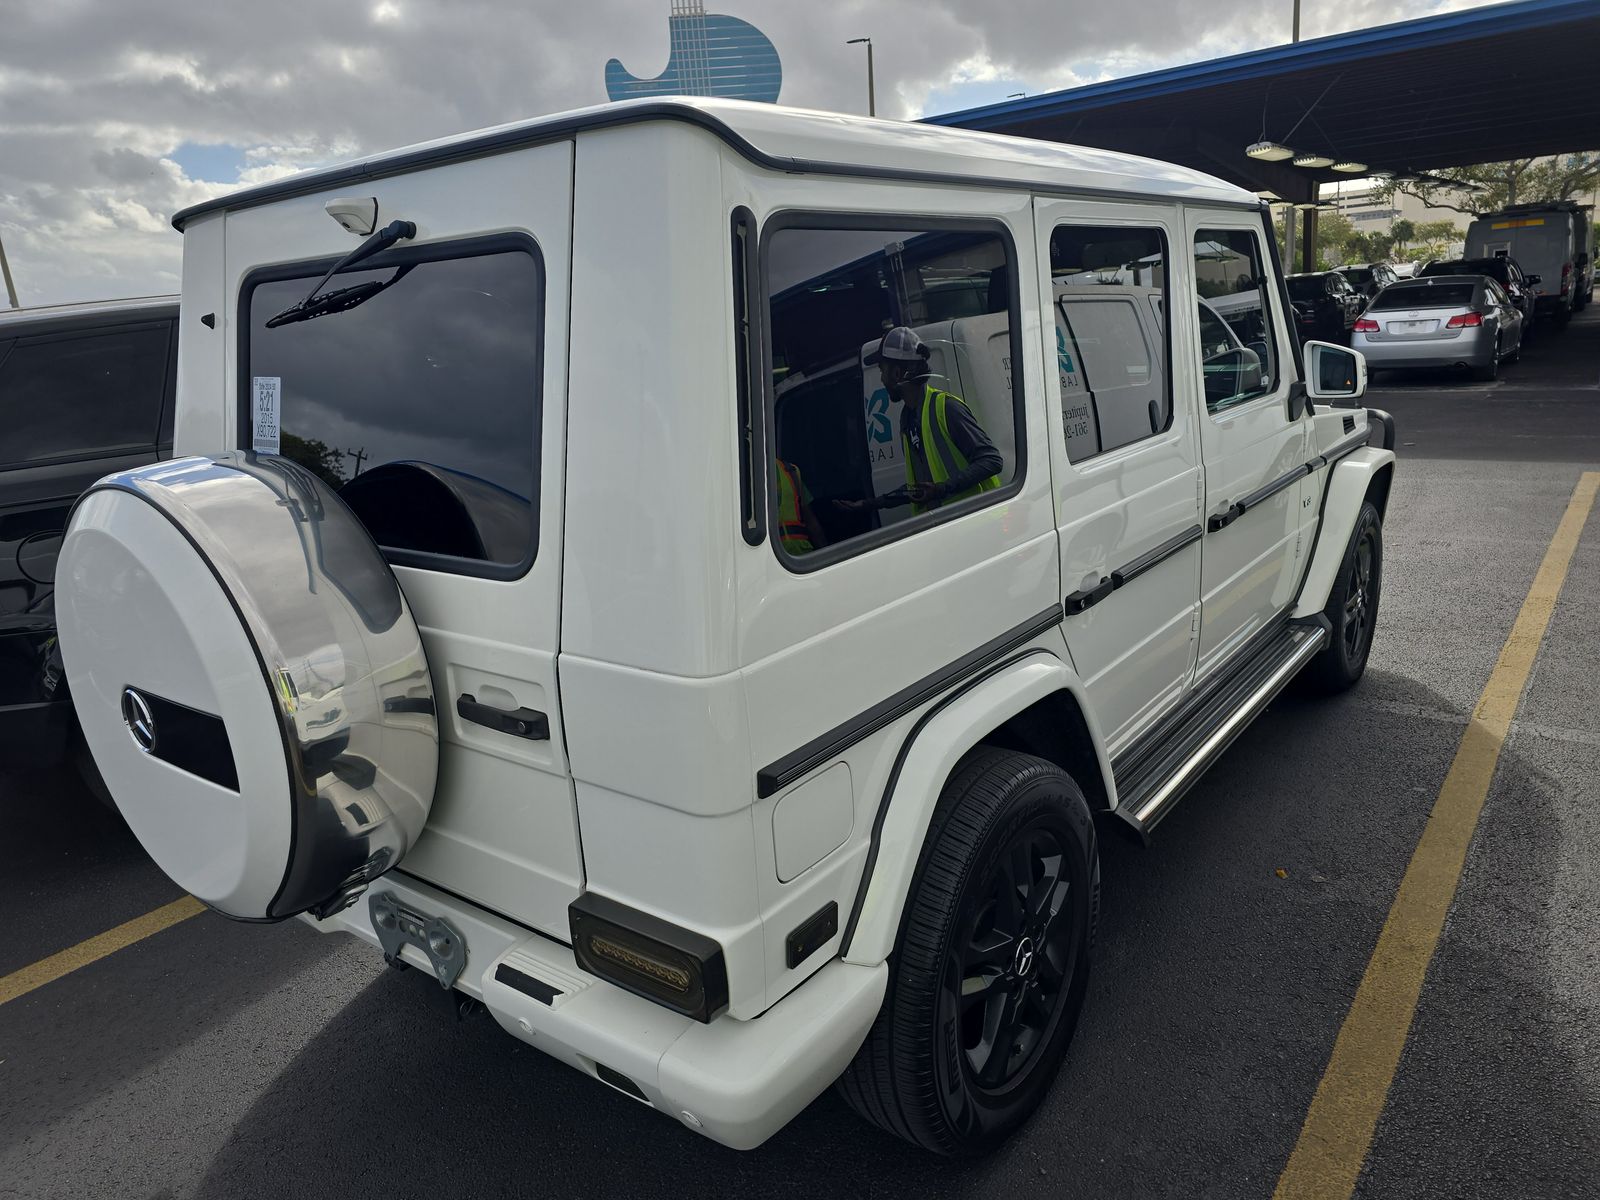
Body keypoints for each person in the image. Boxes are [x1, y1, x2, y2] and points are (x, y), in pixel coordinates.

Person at [849, 326, 1002, 515]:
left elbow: (992, 460)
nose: (882, 379)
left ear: (897, 373)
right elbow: (919, 487)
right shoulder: (909, 419)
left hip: (978, 522)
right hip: (947, 527)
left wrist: (941, 489)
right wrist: (870, 504)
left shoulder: (946, 408)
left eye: (883, 370)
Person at [775, 457, 827, 554]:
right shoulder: (790, 471)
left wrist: (827, 555)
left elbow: (812, 524)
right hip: (795, 558)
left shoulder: (791, 471)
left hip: (800, 559)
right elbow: (813, 525)